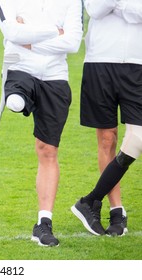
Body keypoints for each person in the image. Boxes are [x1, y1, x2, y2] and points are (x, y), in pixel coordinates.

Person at [0, 0, 83, 246]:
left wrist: (30, 40)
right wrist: (55, 30)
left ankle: (44, 224)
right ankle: (18, 97)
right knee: (15, 100)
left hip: (56, 77)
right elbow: (12, 33)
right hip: (20, 69)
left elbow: (74, 43)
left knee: (48, 150)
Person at [71, 0, 142, 236]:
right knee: (107, 140)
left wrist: (119, 5)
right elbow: (96, 9)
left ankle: (91, 200)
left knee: (138, 139)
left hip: (137, 63)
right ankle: (116, 211)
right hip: (99, 61)